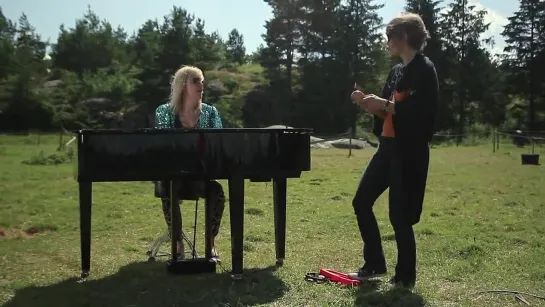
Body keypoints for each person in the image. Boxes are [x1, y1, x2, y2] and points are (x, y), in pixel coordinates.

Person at [348, 13, 439, 287]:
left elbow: (423, 116)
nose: (387, 42)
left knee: (400, 215)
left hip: (409, 151)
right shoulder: (397, 71)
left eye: (390, 37)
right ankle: (375, 263)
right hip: (386, 148)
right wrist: (368, 104)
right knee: (361, 201)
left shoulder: (425, 70)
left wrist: (384, 105)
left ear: (403, 37)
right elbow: (388, 112)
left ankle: (405, 277)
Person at [154, 65, 225, 260]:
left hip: (201, 175)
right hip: (172, 175)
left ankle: (210, 244)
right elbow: (161, 146)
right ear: (183, 85)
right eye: (196, 81)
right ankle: (178, 245)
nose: (201, 85)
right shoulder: (164, 112)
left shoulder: (210, 113)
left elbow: (219, 143)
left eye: (202, 81)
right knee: (170, 189)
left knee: (217, 192)